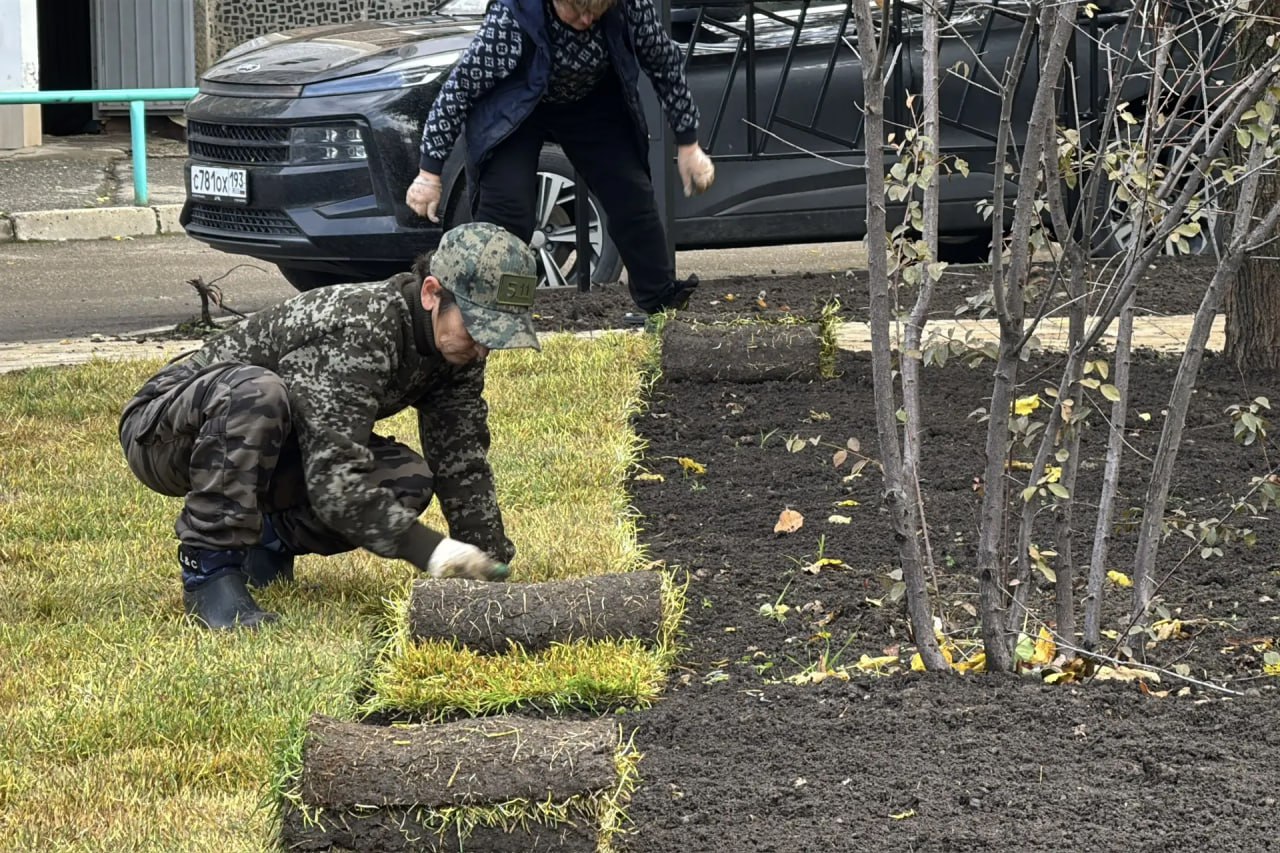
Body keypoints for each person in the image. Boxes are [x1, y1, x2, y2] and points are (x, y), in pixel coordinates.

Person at [118, 222, 539, 630]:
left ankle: (266, 542)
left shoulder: (457, 354)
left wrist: (489, 566)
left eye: (496, 335)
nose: (484, 348)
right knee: (257, 392)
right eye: (478, 328)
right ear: (432, 293)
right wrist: (432, 551)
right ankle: (209, 570)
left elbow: (461, 463)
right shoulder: (362, 328)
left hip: (270, 450)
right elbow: (333, 480)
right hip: (167, 434)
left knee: (405, 480)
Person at [404, 0, 716, 323]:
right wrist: (429, 172)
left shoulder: (630, 5)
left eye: (595, 13)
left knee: (631, 193)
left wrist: (689, 143)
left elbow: (664, 64)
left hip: (590, 99)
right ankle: (491, 321)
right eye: (577, 11)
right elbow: (458, 90)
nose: (586, 21)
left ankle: (661, 303)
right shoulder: (513, 17)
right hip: (515, 105)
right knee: (507, 213)